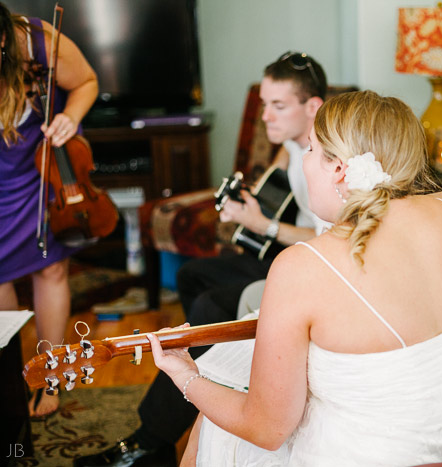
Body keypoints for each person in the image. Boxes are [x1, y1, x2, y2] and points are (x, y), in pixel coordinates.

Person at [149, 90, 442, 466]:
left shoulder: (302, 266)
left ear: (339, 168)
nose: (305, 161)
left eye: (309, 150)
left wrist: (187, 376)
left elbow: (266, 429)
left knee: (218, 427)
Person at [74, 52, 329, 467]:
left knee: (211, 308)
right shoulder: (291, 142)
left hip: (307, 266)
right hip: (284, 255)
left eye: (278, 106)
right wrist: (246, 206)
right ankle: (208, 377)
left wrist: (261, 225)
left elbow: (328, 238)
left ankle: (151, 440)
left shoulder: (328, 154)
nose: (265, 116)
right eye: (264, 104)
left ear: (312, 107)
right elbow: (274, 183)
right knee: (193, 276)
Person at [0, 2, 98, 419]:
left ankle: (48, 374)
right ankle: (7, 380)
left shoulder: (38, 41)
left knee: (51, 267)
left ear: (3, 39)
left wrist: (69, 118)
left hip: (35, 165)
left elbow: (87, 81)